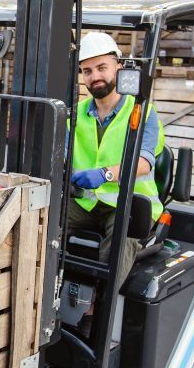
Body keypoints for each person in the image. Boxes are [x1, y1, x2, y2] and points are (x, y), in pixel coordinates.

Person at [67, 30, 165, 274]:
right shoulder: (74, 113)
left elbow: (143, 162)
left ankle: (99, 306)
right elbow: (58, 152)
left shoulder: (142, 112)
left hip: (130, 204)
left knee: (120, 239)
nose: (95, 76)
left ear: (119, 67)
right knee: (39, 219)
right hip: (85, 202)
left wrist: (105, 174)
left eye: (102, 67)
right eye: (87, 71)